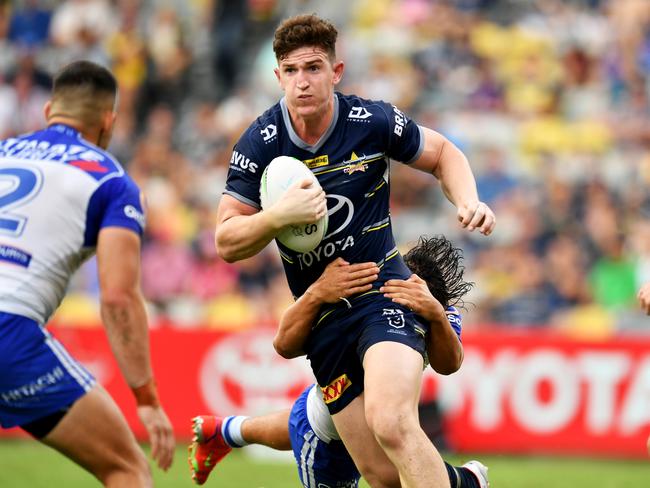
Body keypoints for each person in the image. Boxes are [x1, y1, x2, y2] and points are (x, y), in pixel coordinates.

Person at [214, 14, 495, 488]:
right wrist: (277, 217)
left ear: (336, 71)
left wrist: (469, 200)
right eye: (292, 71)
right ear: (277, 75)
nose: (303, 82)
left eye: (314, 68)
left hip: (384, 293)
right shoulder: (259, 142)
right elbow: (226, 240)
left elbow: (444, 153)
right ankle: (467, 484)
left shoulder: (371, 121)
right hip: (325, 321)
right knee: (382, 476)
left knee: (392, 422)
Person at [190, 236, 488, 487]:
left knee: (389, 464)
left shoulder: (439, 313)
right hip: (327, 431)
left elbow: (450, 364)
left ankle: (224, 431)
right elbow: (282, 343)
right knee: (381, 469)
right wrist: (317, 293)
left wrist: (435, 314)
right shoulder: (364, 292)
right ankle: (465, 479)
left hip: (359, 412)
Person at [0, 60, 175, 487]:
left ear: (47, 113)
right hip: (10, 329)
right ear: (108, 121)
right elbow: (117, 298)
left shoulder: (3, 152)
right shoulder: (113, 181)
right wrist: (146, 399)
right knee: (127, 469)